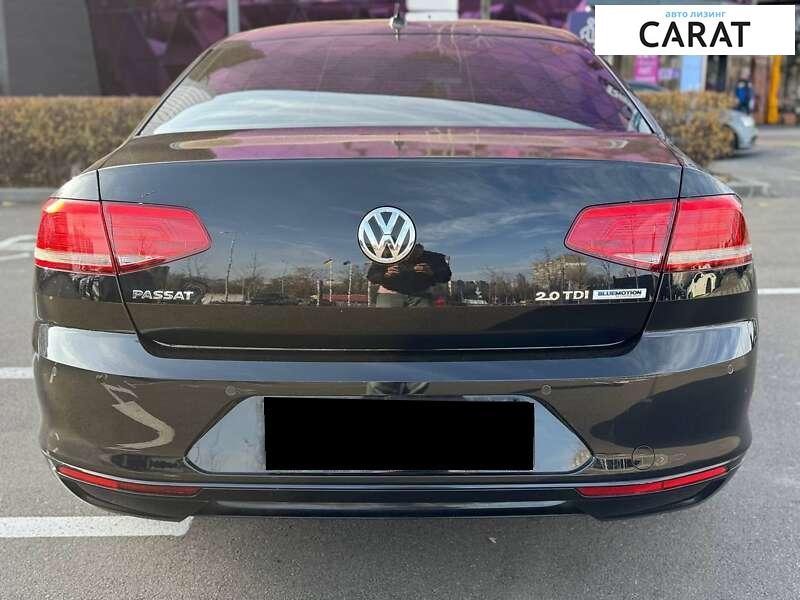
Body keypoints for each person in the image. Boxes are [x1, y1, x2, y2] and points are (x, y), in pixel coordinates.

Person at [367, 243, 451, 308]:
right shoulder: (386, 255)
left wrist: (432, 272)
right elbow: (371, 275)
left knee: (423, 323)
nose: (408, 258)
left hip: (421, 295)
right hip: (389, 295)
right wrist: (384, 275)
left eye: (413, 254)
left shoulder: (432, 257)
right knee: (385, 322)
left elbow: (446, 276)